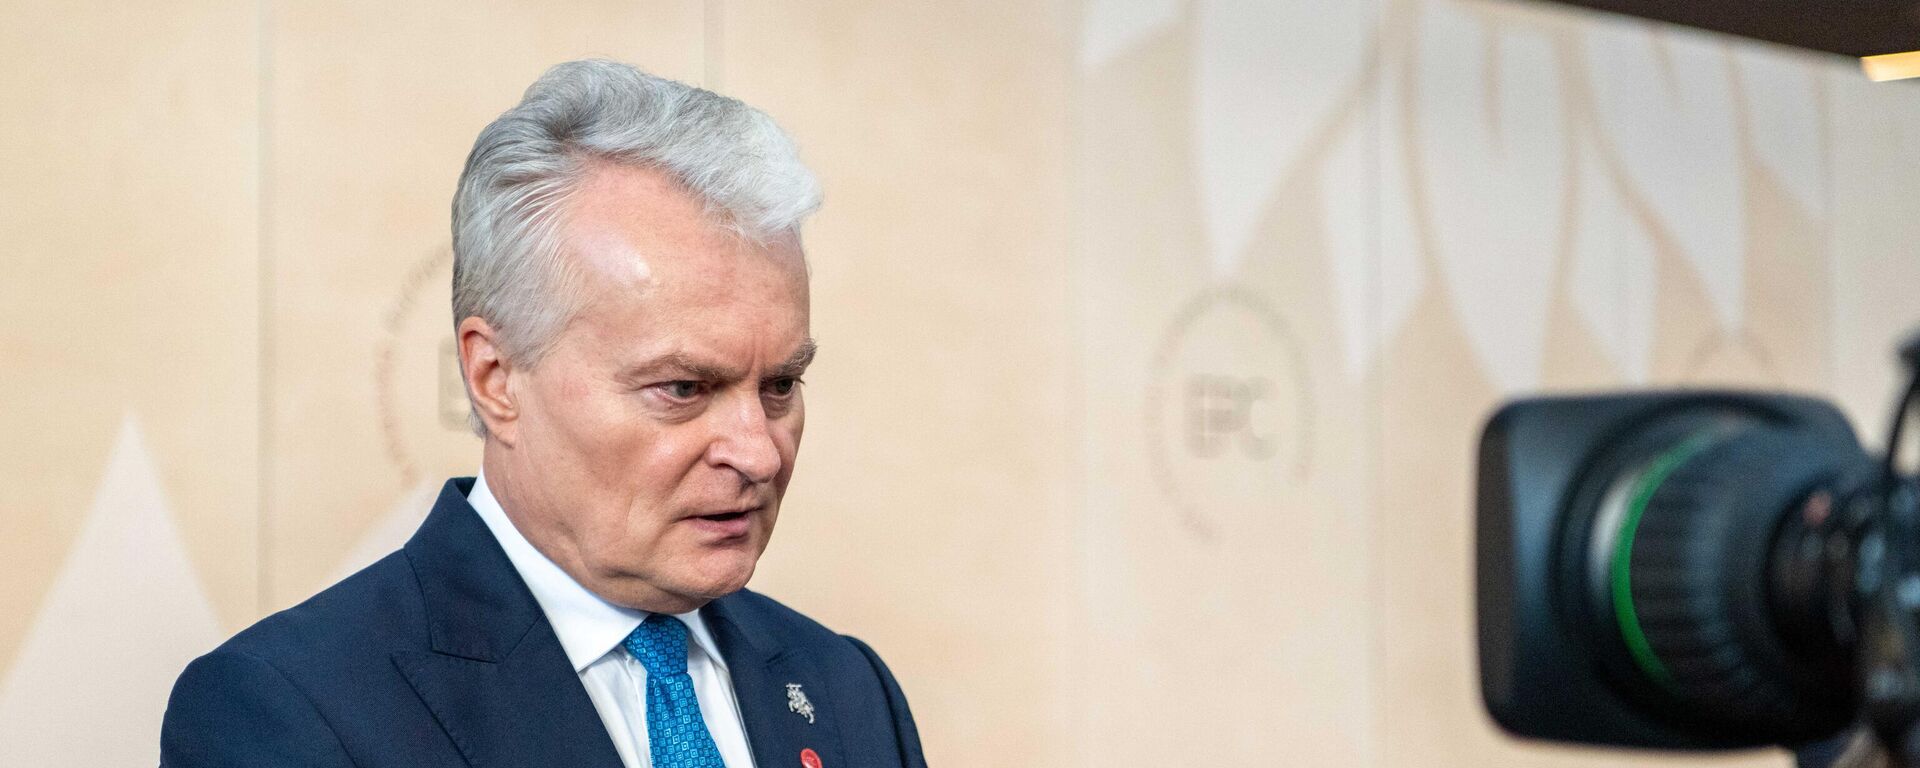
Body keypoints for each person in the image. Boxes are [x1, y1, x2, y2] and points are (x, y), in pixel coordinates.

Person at [160, 59, 926, 768]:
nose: (758, 453)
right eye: (683, 389)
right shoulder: (289, 710)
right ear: (495, 379)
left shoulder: (848, 691)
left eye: (781, 384)